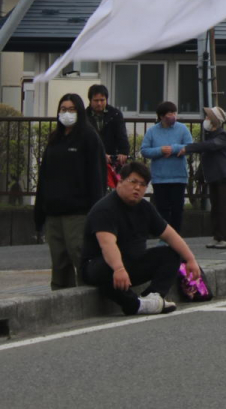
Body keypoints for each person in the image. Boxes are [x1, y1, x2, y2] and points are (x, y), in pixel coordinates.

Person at [82, 160, 202, 316]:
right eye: (133, 182)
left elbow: (170, 235)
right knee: (107, 269)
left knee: (171, 254)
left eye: (143, 184)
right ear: (120, 181)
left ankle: (152, 297)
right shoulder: (105, 209)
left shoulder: (145, 208)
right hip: (103, 264)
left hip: (132, 262)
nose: (137, 188)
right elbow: (107, 244)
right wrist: (118, 268)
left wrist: (191, 259)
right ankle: (134, 305)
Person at [34, 93, 106, 290]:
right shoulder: (55, 139)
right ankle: (60, 299)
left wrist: (96, 213)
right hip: (53, 213)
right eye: (63, 109)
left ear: (80, 112)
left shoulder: (89, 138)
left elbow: (97, 178)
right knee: (59, 262)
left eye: (71, 109)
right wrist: (39, 213)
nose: (66, 113)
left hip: (79, 213)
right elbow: (44, 178)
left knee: (80, 256)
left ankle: (87, 298)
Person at [185, 106, 226, 250]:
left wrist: (187, 148)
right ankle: (217, 236)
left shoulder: (222, 135)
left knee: (223, 208)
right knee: (216, 207)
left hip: (223, 176)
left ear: (214, 121)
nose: (205, 120)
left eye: (208, 117)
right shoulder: (212, 135)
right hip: (214, 176)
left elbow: (209, 146)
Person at [140, 101, 193, 232]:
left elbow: (190, 147)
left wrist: (174, 149)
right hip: (160, 178)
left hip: (178, 177)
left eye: (175, 113)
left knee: (177, 209)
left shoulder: (182, 129)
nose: (173, 116)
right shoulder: (152, 131)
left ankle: (176, 236)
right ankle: (165, 236)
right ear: (161, 116)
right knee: (162, 209)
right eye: (170, 114)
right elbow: (145, 150)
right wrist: (160, 151)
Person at [86, 83, 130, 167]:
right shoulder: (84, 116)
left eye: (102, 100)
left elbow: (122, 135)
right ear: (90, 100)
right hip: (90, 159)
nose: (99, 103)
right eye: (96, 100)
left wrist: (123, 152)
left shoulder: (115, 114)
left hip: (112, 159)